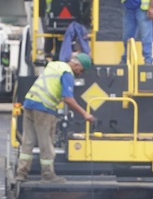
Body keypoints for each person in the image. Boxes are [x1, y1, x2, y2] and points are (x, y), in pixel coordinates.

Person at [16, 53, 95, 183]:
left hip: (30, 103)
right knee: (45, 142)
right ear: (76, 65)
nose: (80, 73)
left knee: (27, 141)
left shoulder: (55, 65)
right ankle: (47, 175)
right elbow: (68, 99)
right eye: (81, 70)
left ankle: (21, 173)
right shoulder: (67, 73)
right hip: (43, 108)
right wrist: (85, 114)